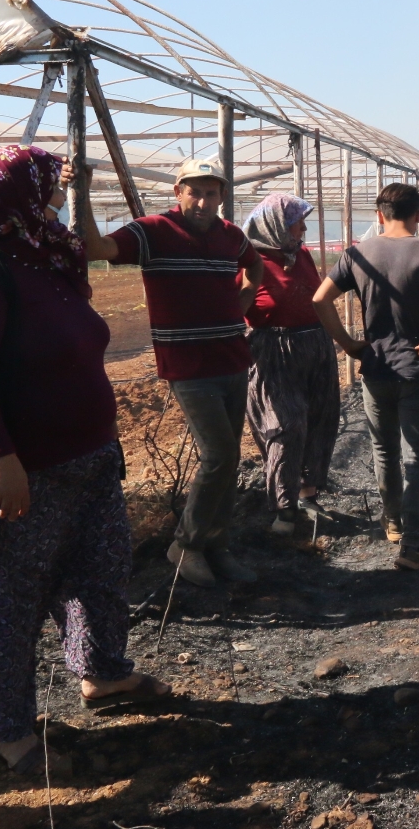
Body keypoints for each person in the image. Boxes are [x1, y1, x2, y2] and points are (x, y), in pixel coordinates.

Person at [0, 147, 170, 776]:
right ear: (12, 195)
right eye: (48, 189)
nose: (58, 199)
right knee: (10, 603)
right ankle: (9, 729)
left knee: (103, 571)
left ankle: (103, 674)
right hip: (26, 471)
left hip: (89, 458)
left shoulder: (43, 260)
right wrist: (0, 458)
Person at [78, 159, 265, 589]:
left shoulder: (230, 236)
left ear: (221, 196)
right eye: (194, 192)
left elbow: (254, 266)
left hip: (232, 359)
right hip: (188, 365)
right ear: (177, 192)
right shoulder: (152, 232)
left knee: (229, 457)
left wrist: (245, 296)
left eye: (211, 193)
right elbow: (96, 249)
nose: (202, 201)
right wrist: (83, 195)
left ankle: (216, 545)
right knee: (218, 455)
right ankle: (186, 544)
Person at [313, 182, 419, 570]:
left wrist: (350, 345)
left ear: (379, 215)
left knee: (384, 450)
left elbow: (320, 299)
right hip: (417, 369)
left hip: (376, 369)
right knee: (417, 456)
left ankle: (394, 523)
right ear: (418, 215)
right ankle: (414, 548)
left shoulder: (357, 255)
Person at [242, 193, 340, 535]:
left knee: (319, 419)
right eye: (298, 221)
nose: (304, 226)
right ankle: (284, 509)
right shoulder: (249, 261)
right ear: (278, 225)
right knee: (286, 426)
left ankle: (309, 496)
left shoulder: (302, 257)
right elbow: (236, 306)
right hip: (274, 352)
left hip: (315, 346)